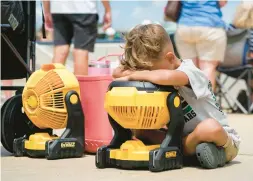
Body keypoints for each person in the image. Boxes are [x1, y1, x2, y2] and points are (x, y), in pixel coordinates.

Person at [113, 24, 241, 169]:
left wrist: (135, 75)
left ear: (170, 58)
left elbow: (167, 76)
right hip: (181, 137)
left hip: (222, 140)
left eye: (151, 71)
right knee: (142, 132)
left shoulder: (190, 72)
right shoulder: (159, 68)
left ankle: (216, 153)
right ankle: (190, 151)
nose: (149, 76)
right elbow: (117, 72)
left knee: (209, 128)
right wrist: (136, 71)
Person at [43, 0, 112, 75]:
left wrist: (47, 12)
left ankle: (53, 85)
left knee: (60, 50)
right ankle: (80, 86)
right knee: (81, 51)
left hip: (58, 9)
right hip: (84, 8)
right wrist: (107, 10)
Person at [174, 0, 227, 91]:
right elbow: (222, 2)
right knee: (207, 68)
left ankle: (190, 104)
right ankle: (206, 103)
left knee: (189, 69)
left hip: (184, 27)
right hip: (210, 25)